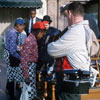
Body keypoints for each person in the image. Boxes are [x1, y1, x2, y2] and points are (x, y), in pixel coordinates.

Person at [47, 1, 99, 100]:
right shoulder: (87, 29)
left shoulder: (75, 32)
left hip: (71, 81)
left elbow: (52, 50)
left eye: (66, 16)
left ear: (70, 13)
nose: (66, 19)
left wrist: (50, 44)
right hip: (79, 78)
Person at [21, 21, 46, 100]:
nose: (42, 36)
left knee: (32, 92)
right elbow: (24, 59)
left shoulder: (33, 39)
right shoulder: (29, 41)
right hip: (28, 68)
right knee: (29, 94)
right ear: (38, 32)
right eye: (42, 34)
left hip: (32, 67)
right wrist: (26, 76)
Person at [3, 18, 25, 100]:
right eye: (22, 27)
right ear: (17, 26)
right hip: (10, 55)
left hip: (9, 53)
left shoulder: (11, 30)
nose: (23, 29)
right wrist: (21, 58)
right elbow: (12, 51)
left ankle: (9, 90)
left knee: (10, 74)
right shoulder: (13, 33)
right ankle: (12, 95)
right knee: (12, 75)